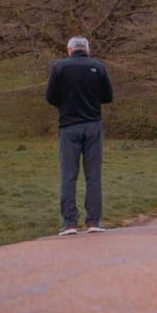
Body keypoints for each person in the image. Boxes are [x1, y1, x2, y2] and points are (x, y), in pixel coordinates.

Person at [45, 35, 114, 236]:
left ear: (69, 49)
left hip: (68, 127)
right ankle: (93, 221)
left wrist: (66, 105)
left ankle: (69, 223)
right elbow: (107, 97)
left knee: (68, 176)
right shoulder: (98, 67)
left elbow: (50, 97)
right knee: (93, 176)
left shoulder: (59, 67)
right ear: (87, 49)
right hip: (93, 125)